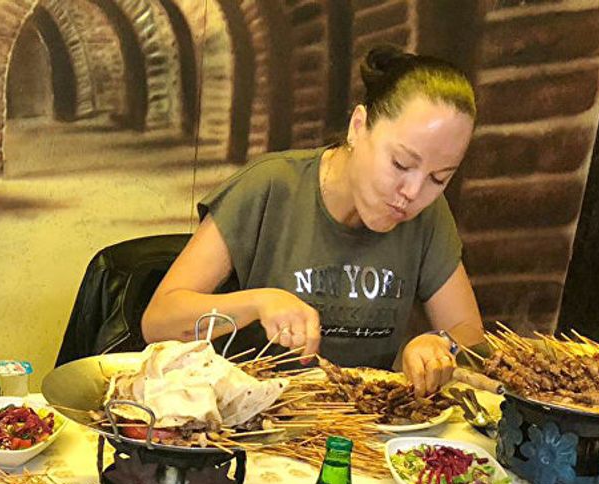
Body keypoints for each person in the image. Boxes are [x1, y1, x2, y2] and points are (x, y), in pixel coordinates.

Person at [142, 45, 485, 396]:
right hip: (256, 415)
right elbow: (158, 321)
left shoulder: (428, 215)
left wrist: (441, 343)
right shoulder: (270, 187)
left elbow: (468, 329)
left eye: (438, 178)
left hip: (362, 417)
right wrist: (258, 302)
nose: (412, 192)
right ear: (358, 127)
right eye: (401, 164)